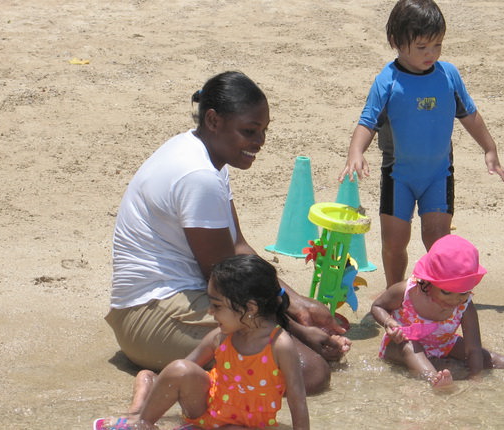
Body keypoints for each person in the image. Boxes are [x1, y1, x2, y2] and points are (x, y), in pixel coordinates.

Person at [105, 71, 350, 395]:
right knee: (310, 372)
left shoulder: (203, 155)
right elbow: (225, 278)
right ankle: (162, 386)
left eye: (264, 131)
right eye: (249, 131)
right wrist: (294, 327)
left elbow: (237, 246)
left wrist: (298, 304)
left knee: (304, 356)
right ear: (213, 120)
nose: (260, 142)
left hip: (172, 303)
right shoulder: (198, 175)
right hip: (150, 317)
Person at [338, 0, 504, 288]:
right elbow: (367, 121)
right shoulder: (388, 81)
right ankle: (396, 293)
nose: (431, 54)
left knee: (437, 238)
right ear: (396, 42)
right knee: (395, 242)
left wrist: (489, 149)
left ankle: (441, 292)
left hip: (438, 175)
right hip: (399, 176)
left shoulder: (449, 75)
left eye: (437, 45)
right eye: (422, 47)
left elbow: (469, 115)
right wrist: (355, 152)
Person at [104, 255, 310, 430]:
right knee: (176, 369)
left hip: (246, 426)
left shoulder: (279, 345)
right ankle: (141, 422)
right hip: (205, 413)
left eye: (217, 306)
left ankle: (139, 404)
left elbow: (297, 398)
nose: (210, 311)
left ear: (251, 308)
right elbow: (179, 374)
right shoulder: (220, 336)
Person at [371, 234, 504, 387]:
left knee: (487, 357)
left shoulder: (464, 305)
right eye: (447, 293)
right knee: (411, 347)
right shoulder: (406, 291)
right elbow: (377, 306)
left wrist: (475, 377)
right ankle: (434, 381)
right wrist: (390, 323)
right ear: (428, 282)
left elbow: (473, 347)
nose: (454, 300)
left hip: (443, 344)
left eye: (463, 293)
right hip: (399, 346)